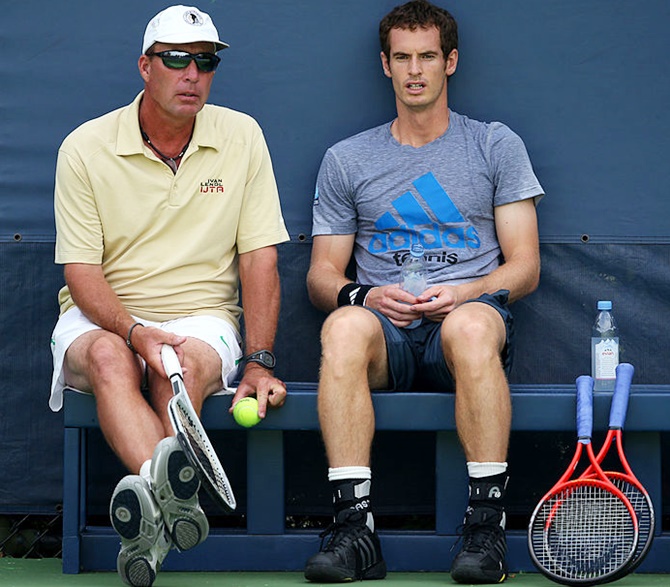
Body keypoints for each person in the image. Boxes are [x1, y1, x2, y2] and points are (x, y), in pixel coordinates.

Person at [303, 0, 543, 584]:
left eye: (428, 57)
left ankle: (486, 528)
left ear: (450, 62)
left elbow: (526, 267)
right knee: (340, 325)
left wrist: (469, 291)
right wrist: (365, 296)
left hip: (466, 330)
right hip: (388, 335)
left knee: (471, 324)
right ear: (385, 65)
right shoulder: (347, 158)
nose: (415, 70)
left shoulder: (492, 145)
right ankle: (355, 531)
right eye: (403, 58)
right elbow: (321, 277)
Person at [49, 5, 289, 587]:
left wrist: (258, 359)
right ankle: (173, 498)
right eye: (175, 59)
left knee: (177, 365)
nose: (191, 74)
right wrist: (132, 331)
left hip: (203, 320)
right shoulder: (83, 147)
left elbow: (259, 258)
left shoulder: (243, 135)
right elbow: (81, 272)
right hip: (102, 317)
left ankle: (151, 521)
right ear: (145, 66)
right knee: (110, 358)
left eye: (204, 61)